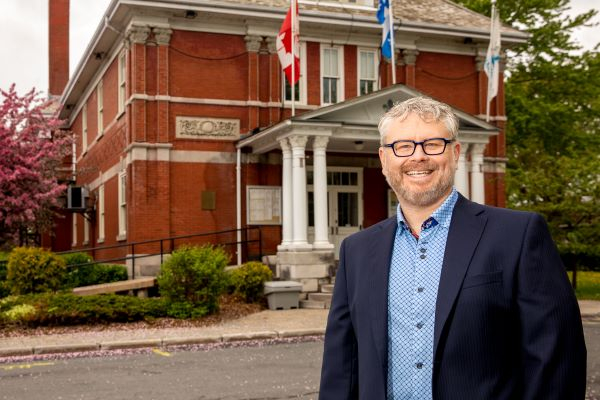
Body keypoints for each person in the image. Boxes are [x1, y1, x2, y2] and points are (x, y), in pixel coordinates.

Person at [319, 96, 586, 400]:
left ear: (455, 152)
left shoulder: (518, 236)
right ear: (384, 159)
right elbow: (342, 367)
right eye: (402, 146)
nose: (418, 157)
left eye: (433, 144)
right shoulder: (357, 251)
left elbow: (555, 360)